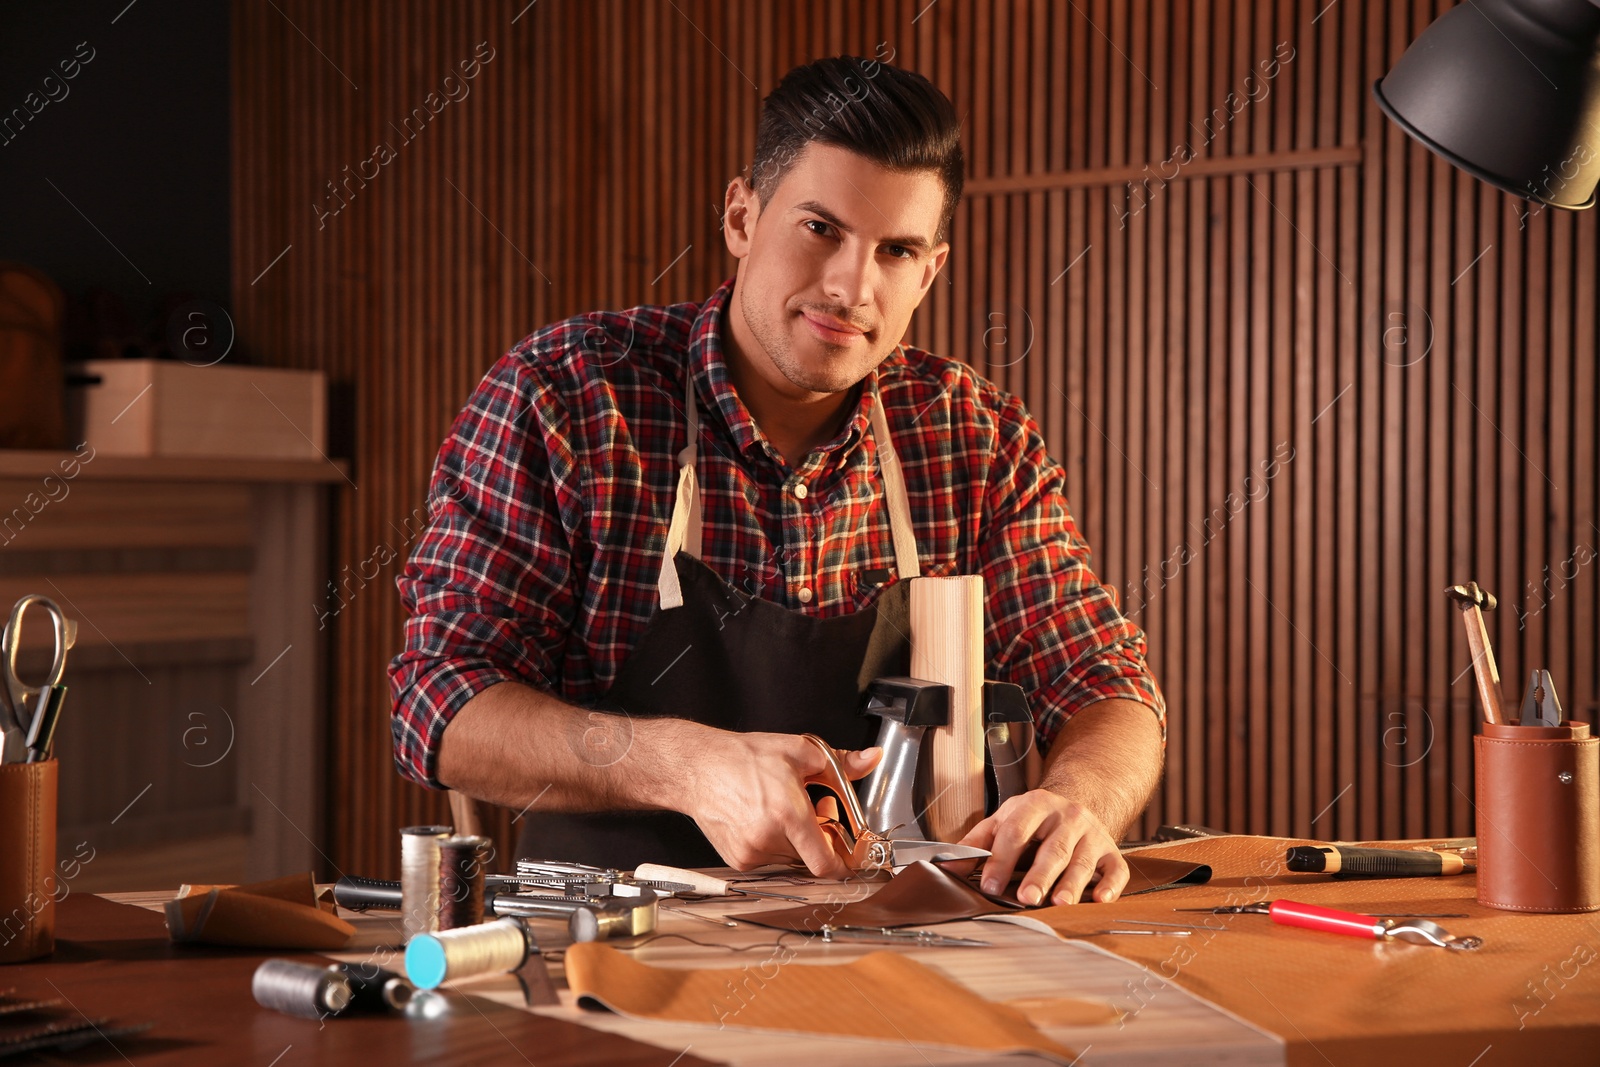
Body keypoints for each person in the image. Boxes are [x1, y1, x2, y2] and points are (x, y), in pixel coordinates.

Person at [389, 55, 1165, 907]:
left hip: (899, 944)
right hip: (612, 946)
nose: (851, 286)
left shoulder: (973, 436)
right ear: (740, 217)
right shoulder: (568, 396)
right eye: (821, 228)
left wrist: (1078, 801)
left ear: (929, 272)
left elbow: (1105, 681)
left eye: (896, 251)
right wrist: (687, 766)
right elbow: (442, 703)